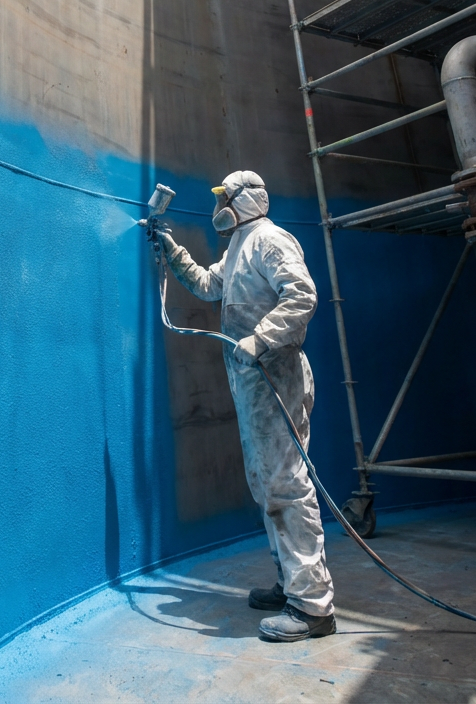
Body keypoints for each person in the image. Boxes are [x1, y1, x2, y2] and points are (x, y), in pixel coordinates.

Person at [154, 169, 336, 642]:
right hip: (253, 384)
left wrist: (261, 339)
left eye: (225, 197)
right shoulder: (239, 246)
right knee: (265, 484)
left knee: (285, 486)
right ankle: (290, 584)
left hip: (276, 379)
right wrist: (174, 255)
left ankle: (313, 606)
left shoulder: (272, 241)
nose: (219, 206)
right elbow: (211, 284)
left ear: (246, 199)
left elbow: (303, 296)